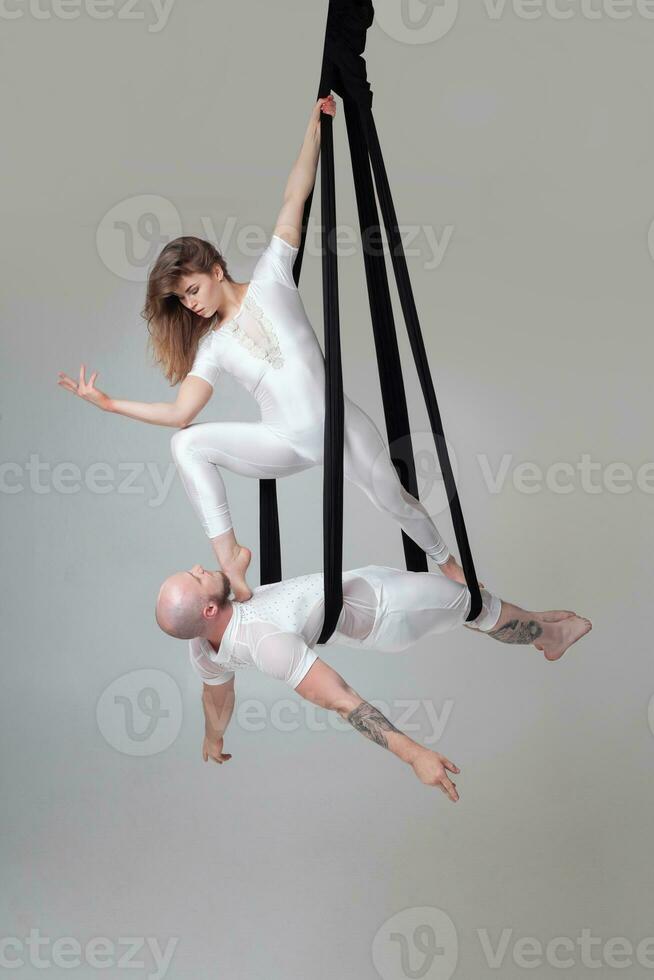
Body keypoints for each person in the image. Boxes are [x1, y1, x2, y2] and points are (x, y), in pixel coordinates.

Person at [57, 94, 469, 603]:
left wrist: (314, 129)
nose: (191, 306)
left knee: (395, 498)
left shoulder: (274, 276)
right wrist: (110, 404)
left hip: (339, 421)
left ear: (215, 268)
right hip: (285, 440)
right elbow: (182, 412)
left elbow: (295, 196)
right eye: (182, 301)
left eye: (192, 291)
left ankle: (449, 565)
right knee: (186, 444)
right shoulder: (212, 348)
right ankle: (230, 556)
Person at [154, 562, 592, 801]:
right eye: (196, 577)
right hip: (389, 610)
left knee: (467, 604)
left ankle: (537, 621)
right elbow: (344, 701)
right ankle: (550, 636)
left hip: (366, 588)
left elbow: (218, 691)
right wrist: (414, 754)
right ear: (209, 611)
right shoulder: (266, 644)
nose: (198, 566)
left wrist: (213, 737)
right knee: (472, 602)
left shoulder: (202, 645)